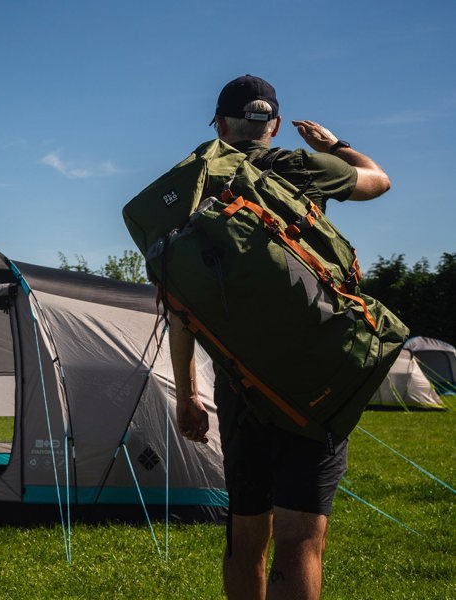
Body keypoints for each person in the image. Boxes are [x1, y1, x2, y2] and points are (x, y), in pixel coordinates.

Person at [171, 75, 391, 599]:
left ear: (221, 125)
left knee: (246, 534)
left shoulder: (196, 191)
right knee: (300, 541)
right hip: (316, 376)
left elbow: (179, 304)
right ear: (272, 125)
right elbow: (378, 179)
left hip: (242, 382)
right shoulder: (302, 167)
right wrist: (333, 145)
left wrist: (187, 395)